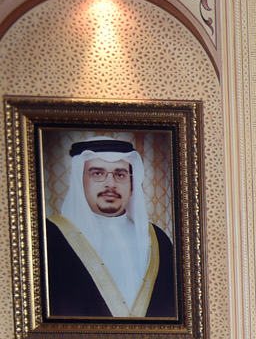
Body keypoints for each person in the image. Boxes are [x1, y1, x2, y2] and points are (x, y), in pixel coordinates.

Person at [45, 136, 176, 318]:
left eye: (120, 175)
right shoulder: (50, 237)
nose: (110, 184)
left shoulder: (157, 239)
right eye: (97, 174)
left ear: (132, 185)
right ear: (79, 181)